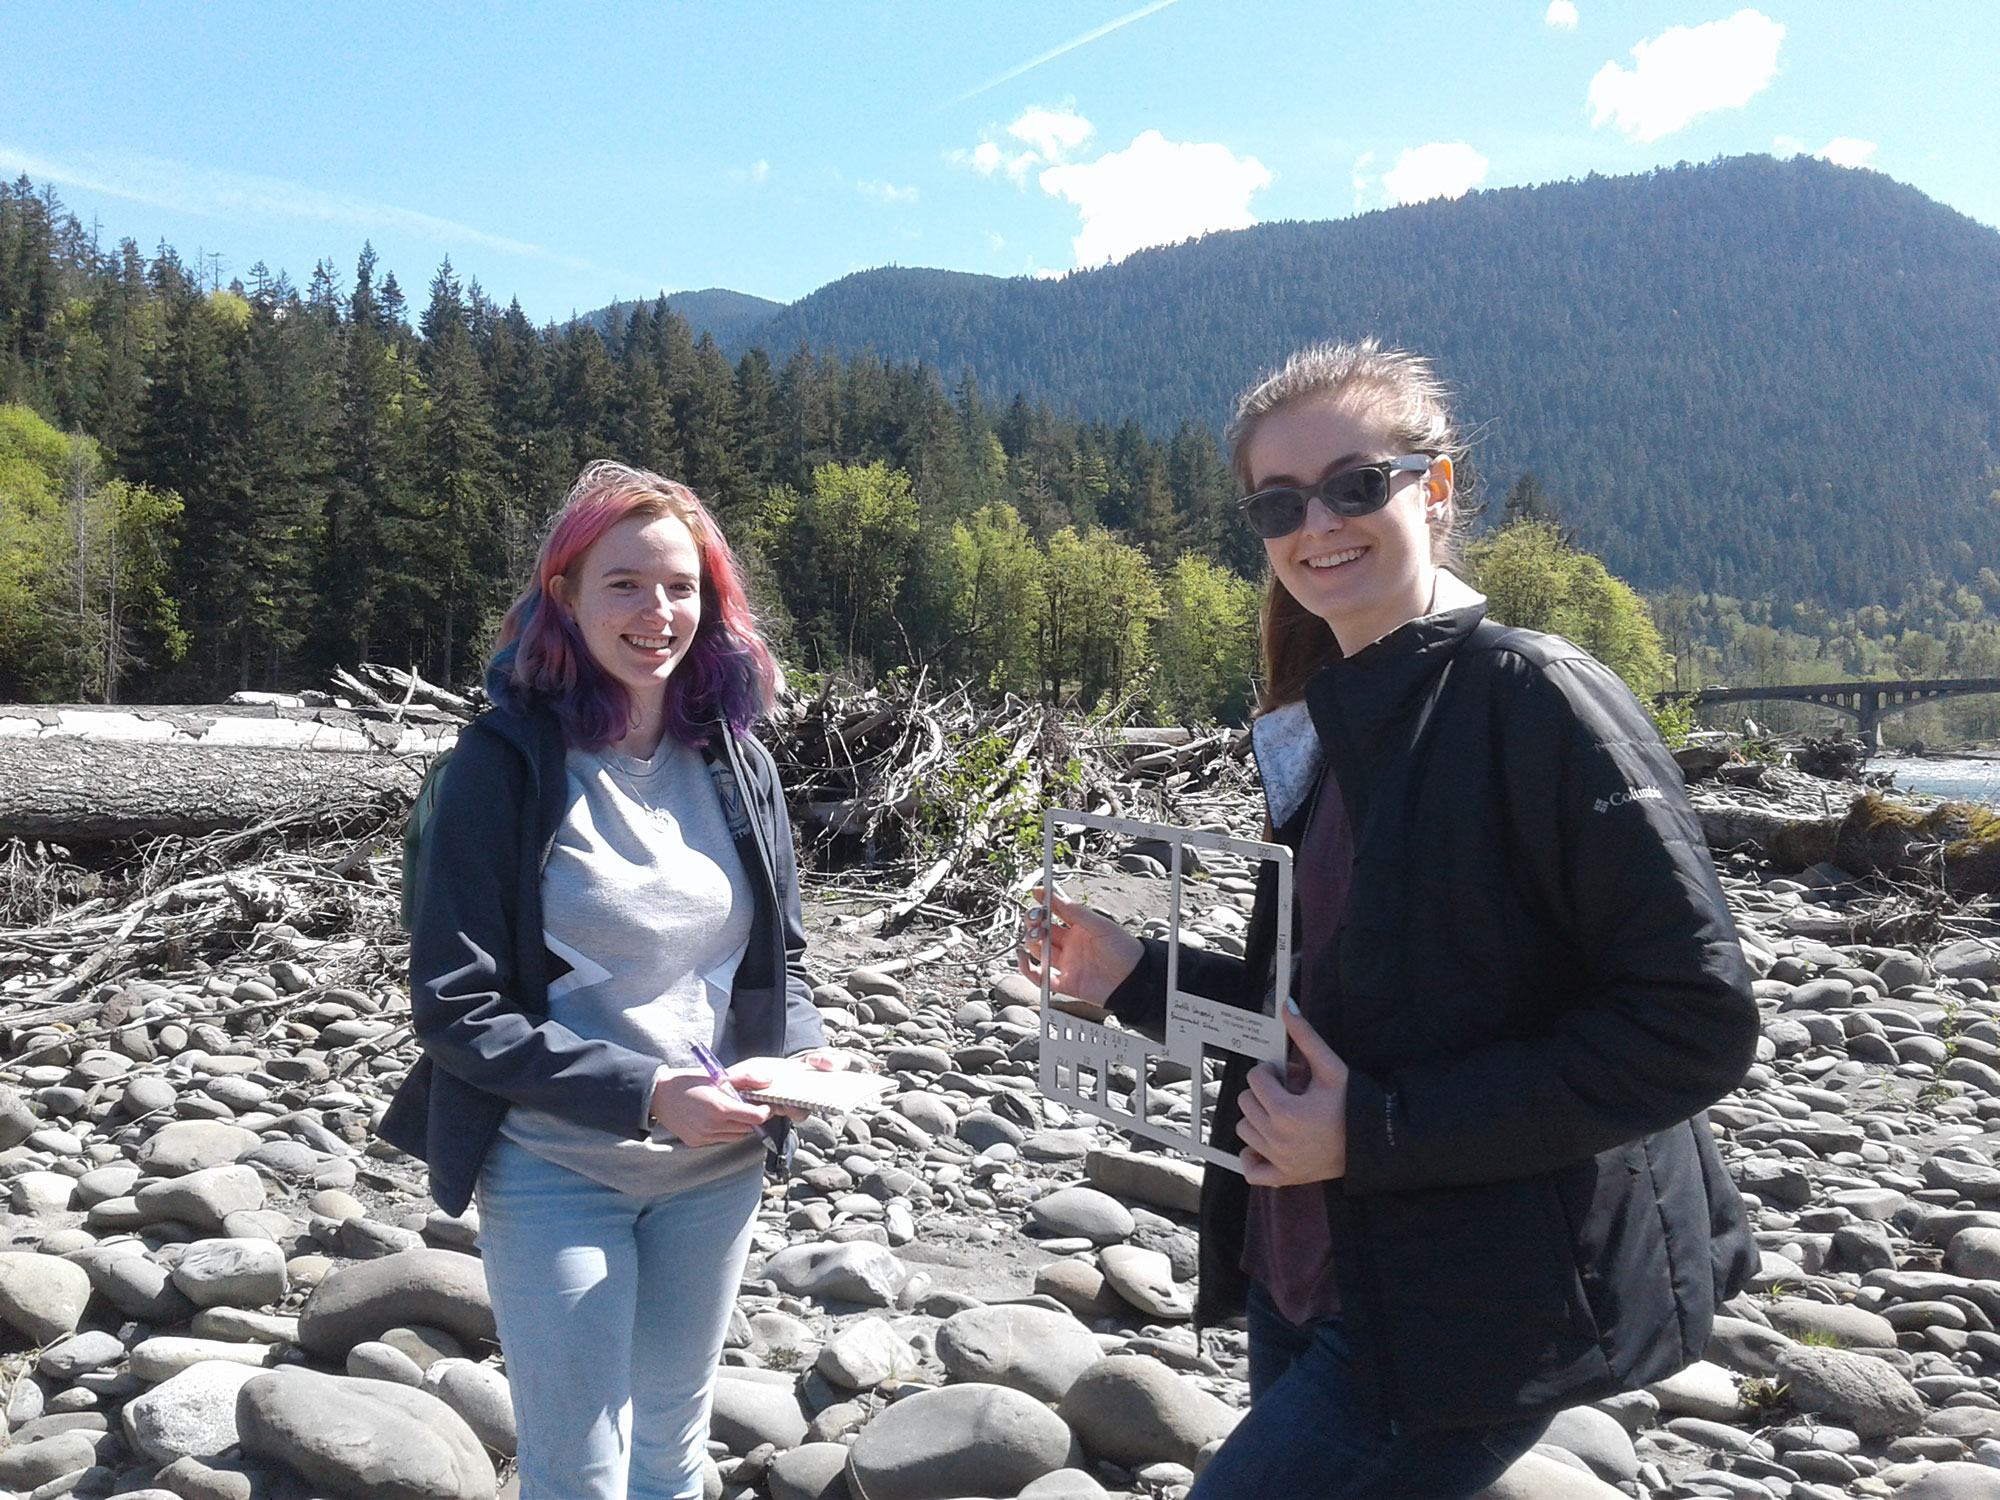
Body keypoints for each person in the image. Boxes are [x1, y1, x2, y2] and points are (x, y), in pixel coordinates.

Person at [1021, 341, 1758, 1500]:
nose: (1318, 523)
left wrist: (1377, 1130)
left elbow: (1693, 1023)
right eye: (1279, 502)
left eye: (1357, 484)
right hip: (1307, 1263)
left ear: (1439, 488)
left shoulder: (1532, 697)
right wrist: (1129, 972)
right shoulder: (1330, 724)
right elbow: (1317, 1016)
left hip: (1464, 1303)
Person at [378, 460, 834, 1500]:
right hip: (555, 1168)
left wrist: (799, 1051)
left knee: (669, 1455)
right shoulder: (503, 765)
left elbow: (781, 957)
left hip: (714, 1170)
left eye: (681, 587)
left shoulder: (734, 758)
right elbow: (455, 1009)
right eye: (623, 583)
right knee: (578, 1473)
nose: (656, 611)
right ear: (564, 596)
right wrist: (646, 1094)